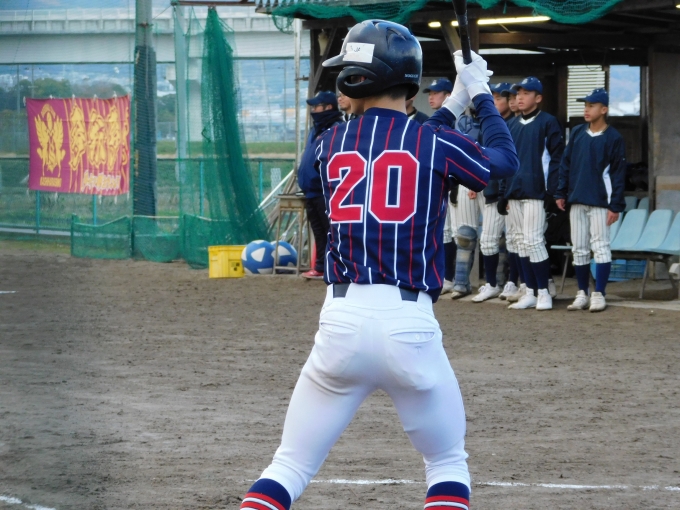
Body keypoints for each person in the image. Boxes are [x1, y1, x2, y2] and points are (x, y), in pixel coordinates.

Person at [239, 19, 518, 510]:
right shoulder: (431, 141)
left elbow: (393, 144)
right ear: (407, 80)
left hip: (341, 321)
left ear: (355, 80)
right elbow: (502, 162)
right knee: (447, 463)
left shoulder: (328, 143)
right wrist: (479, 95)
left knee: (288, 466)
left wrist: (454, 101)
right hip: (410, 324)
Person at [555, 88, 627, 312]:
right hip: (577, 199)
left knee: (601, 247)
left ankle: (599, 293)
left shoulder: (613, 138)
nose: (586, 109)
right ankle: (582, 293)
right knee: (579, 248)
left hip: (600, 202)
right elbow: (565, 164)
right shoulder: (577, 132)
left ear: (604, 109)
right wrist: (561, 192)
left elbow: (618, 173)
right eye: (585, 105)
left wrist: (615, 205)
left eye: (592, 106)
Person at [503, 77, 564, 311]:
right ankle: (529, 291)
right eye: (518, 93)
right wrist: (503, 193)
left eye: (526, 93)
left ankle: (544, 293)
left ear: (538, 98)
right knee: (520, 242)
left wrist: (554, 191)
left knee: (534, 241)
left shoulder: (548, 122)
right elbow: (506, 160)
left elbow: (557, 159)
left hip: (537, 192)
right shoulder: (512, 125)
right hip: (514, 192)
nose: (520, 97)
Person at [472, 82, 514, 302]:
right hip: (491, 191)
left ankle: (514, 283)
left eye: (499, 98)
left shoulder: (513, 125)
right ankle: (492, 284)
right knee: (488, 240)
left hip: (513, 192)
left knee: (518, 241)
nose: (495, 102)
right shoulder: (487, 126)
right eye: (493, 98)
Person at [298, 90, 344, 280]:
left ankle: (334, 267)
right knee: (318, 232)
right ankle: (320, 267)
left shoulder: (336, 128)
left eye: (316, 106)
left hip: (325, 192)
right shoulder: (315, 129)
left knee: (330, 231)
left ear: (328, 107)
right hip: (310, 191)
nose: (313, 110)